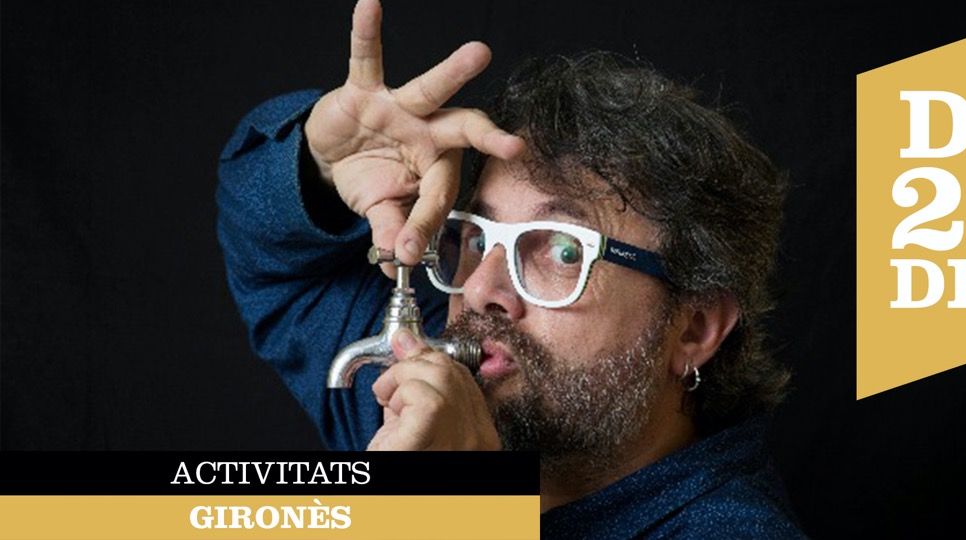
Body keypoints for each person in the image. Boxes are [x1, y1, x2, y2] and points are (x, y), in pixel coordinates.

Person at [217, 0, 804, 536]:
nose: (479, 289)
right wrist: (321, 171)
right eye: (478, 236)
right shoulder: (429, 408)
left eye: (563, 250)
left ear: (695, 328)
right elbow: (278, 268)